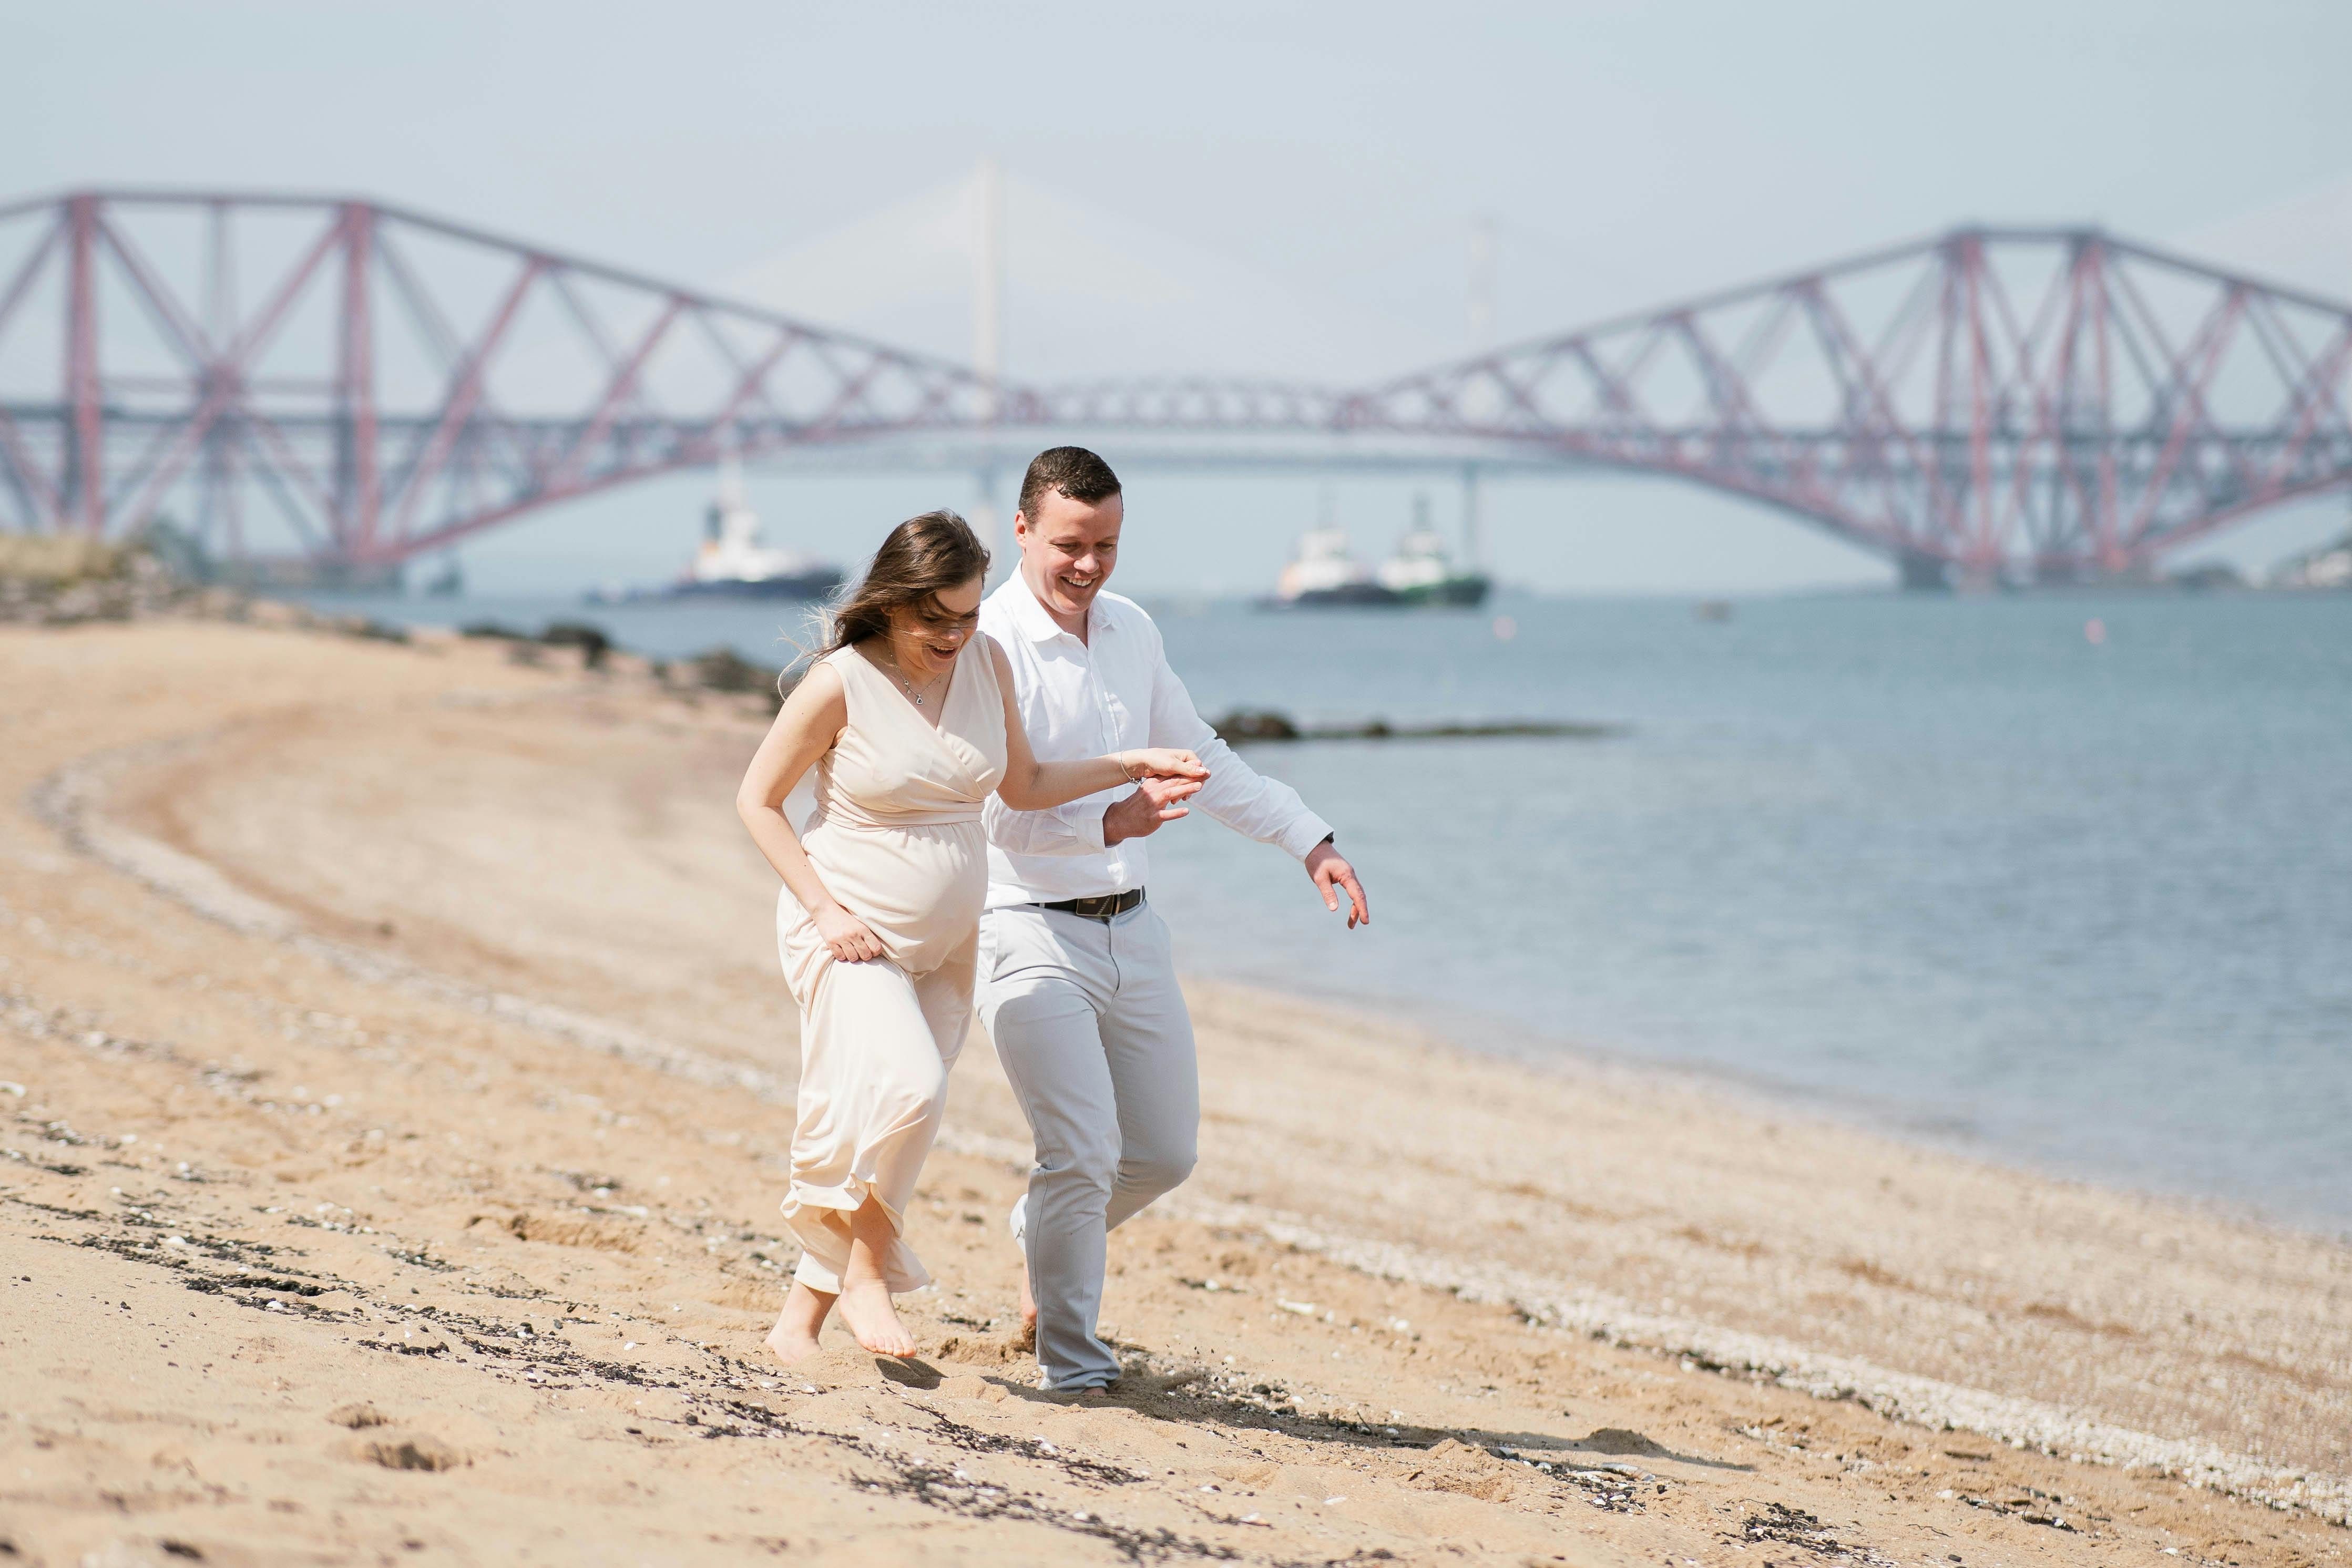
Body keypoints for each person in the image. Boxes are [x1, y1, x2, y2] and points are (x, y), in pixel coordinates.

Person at [734, 509, 1206, 1364]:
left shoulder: (985, 661)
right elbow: (757, 803)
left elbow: (1022, 785)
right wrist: (826, 911)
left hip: (950, 939)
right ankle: (865, 1277)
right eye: (935, 620)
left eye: (968, 614)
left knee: (885, 1122)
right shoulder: (840, 681)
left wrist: (1130, 763)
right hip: (850, 928)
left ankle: (794, 1327)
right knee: (909, 1092)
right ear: (892, 604)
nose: (954, 635)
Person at [978, 447, 1371, 1391]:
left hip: (1133, 929)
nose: (1089, 565)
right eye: (1070, 544)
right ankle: (1072, 1366)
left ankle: (1044, 1237)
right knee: (1078, 1153)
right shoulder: (985, 643)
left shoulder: (1131, 629)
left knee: (1159, 1155)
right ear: (1022, 530)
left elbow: (1202, 757)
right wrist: (1104, 819)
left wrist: (1308, 839)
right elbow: (981, 806)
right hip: (1022, 927)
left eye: (1108, 545)